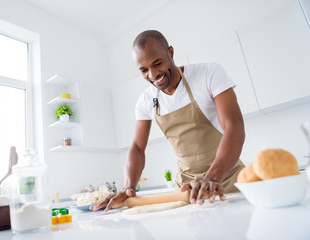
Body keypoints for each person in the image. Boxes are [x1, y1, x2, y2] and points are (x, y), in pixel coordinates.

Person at [91, 30, 245, 212]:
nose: (153, 74)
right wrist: (128, 186)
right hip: (185, 190)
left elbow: (234, 127)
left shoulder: (208, 74)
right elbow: (137, 148)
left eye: (158, 63)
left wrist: (211, 178)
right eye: (144, 70)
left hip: (227, 177)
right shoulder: (145, 101)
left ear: (170, 52)